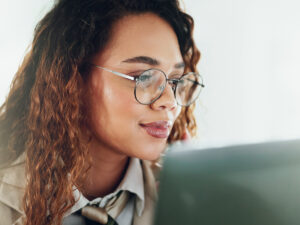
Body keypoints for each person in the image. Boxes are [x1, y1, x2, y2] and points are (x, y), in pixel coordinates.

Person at [0, 0, 203, 224]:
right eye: (142, 77)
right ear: (73, 79)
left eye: (174, 80)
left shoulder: (186, 198)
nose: (170, 101)